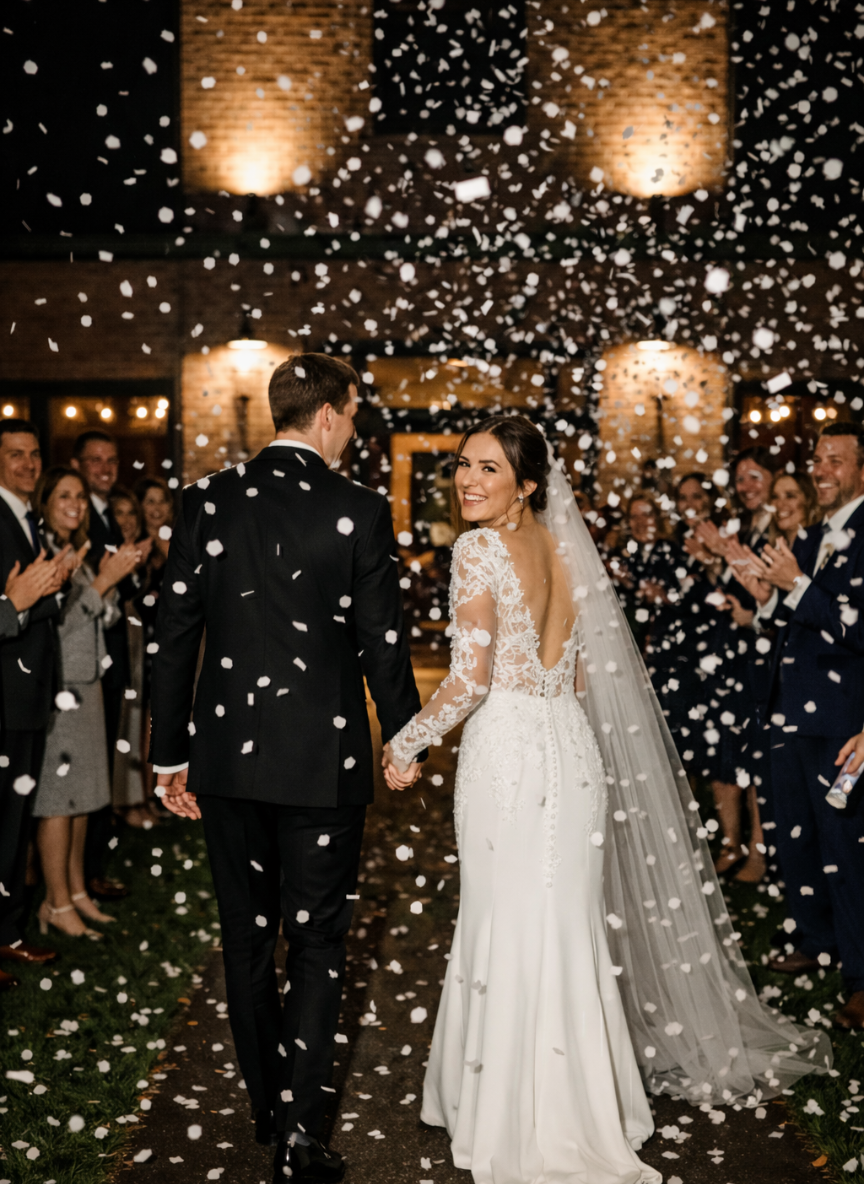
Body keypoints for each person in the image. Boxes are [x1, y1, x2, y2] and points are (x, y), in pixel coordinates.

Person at [384, 416, 829, 1184]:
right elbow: (583, 677)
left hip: (510, 755)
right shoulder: (566, 550)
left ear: (527, 484)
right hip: (572, 750)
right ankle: (585, 1107)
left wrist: (404, 742)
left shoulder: (476, 549)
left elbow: (470, 680)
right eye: (463, 464)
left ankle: (504, 1109)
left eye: (488, 468)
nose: (467, 480)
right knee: (565, 927)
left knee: (503, 921)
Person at [149, 353, 424, 1184]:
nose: (353, 429)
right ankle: (301, 1135)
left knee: (246, 938)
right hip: (321, 762)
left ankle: (268, 1107)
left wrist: (170, 753)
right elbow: (383, 642)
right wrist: (403, 737)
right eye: (353, 414)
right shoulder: (359, 509)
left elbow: (173, 634)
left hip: (226, 758)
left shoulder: (207, 500)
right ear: (330, 414)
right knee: (316, 941)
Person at [733, 423, 864, 1030]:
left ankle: (861, 979)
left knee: (847, 851)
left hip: (840, 719)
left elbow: (855, 627)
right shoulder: (812, 536)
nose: (821, 469)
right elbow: (799, 619)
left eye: (835, 459)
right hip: (790, 712)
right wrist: (766, 597)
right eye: (817, 458)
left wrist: (798, 586)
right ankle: (817, 940)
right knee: (797, 839)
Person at [30, 467, 142, 937]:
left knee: (84, 798)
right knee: (60, 800)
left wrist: (109, 581)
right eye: (64, 496)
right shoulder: (41, 552)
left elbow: (101, 615)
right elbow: (52, 628)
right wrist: (102, 584)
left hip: (89, 681)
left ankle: (76, 893)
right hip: (62, 686)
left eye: (79, 496)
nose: (76, 504)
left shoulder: (76, 552)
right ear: (45, 503)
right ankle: (54, 901)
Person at [0, 421, 71, 990]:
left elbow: (31, 601)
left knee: (13, 823)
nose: (28, 464)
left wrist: (50, 589)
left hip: (26, 698)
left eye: (34, 454)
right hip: (4, 697)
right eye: (15, 455)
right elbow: (13, 604)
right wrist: (20, 602)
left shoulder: (27, 519)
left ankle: (8, 930)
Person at [688, 447, 779, 882]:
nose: (745, 486)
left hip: (760, 656)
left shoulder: (780, 529)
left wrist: (726, 553)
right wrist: (712, 562)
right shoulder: (739, 527)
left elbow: (769, 591)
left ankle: (760, 851)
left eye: (755, 476)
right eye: (740, 478)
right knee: (724, 750)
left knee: (756, 756)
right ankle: (731, 842)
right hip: (727, 653)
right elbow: (728, 586)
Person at [70, 429, 138, 901]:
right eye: (95, 460)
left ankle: (91, 867)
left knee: (101, 765)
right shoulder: (81, 519)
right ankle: (82, 875)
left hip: (109, 651)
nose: (105, 468)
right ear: (77, 465)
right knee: (85, 769)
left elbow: (124, 586)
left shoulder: (109, 516)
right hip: (84, 656)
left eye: (111, 460)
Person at [132, 476, 174, 821]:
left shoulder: (179, 545)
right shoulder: (132, 546)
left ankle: (162, 792)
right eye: (150, 501)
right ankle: (143, 794)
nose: (157, 508)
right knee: (141, 721)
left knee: (163, 719)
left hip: (170, 645)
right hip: (137, 645)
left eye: (162, 500)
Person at [109, 488, 149, 825]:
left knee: (136, 720)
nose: (126, 520)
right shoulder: (111, 555)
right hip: (121, 640)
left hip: (141, 642)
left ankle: (135, 796)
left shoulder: (143, 554)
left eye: (131, 513)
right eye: (119, 513)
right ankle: (122, 800)